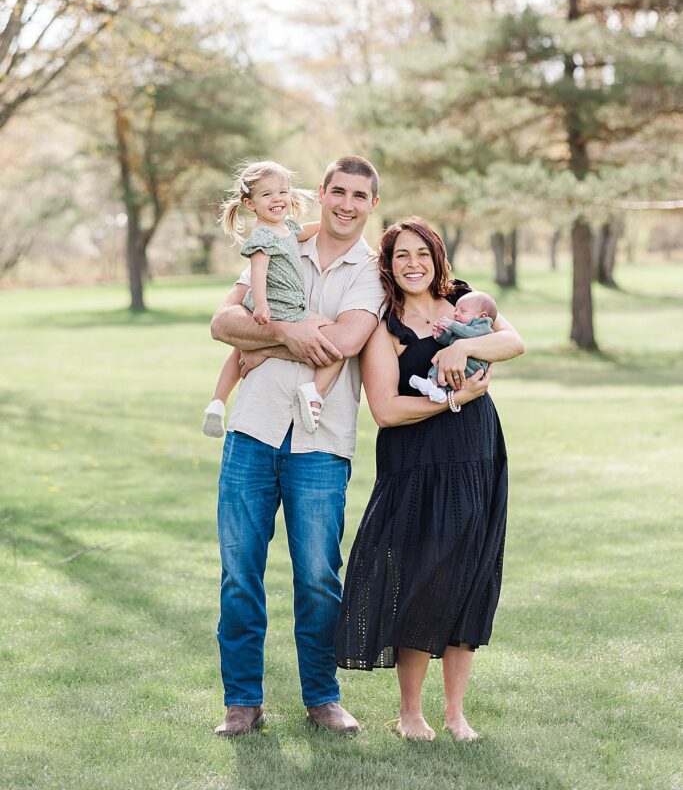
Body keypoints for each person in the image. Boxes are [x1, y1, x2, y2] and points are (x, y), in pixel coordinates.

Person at [209, 156, 385, 737]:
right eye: (338, 191)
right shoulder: (278, 238)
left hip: (321, 439)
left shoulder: (372, 272)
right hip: (253, 430)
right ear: (324, 192)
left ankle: (322, 698)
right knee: (239, 574)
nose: (346, 204)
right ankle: (242, 702)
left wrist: (268, 344)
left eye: (359, 196)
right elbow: (222, 322)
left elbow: (345, 341)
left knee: (316, 575)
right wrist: (287, 332)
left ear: (370, 205)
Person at [335, 217, 524, 742]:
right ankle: (410, 712)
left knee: (469, 578)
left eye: (421, 253)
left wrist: (462, 348)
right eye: (401, 256)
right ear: (388, 266)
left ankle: (456, 713)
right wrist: (455, 400)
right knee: (419, 581)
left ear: (437, 257)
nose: (413, 263)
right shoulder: (384, 326)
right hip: (417, 466)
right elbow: (387, 410)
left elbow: (515, 342)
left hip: (477, 457)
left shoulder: (465, 303)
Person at [202, 160, 342, 438]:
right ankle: (314, 394)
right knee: (331, 342)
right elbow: (258, 272)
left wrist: (327, 225)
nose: (277, 199)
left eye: (283, 192)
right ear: (250, 204)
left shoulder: (287, 226)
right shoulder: (263, 235)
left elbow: (303, 232)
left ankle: (217, 403)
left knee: (239, 351)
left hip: (281, 301)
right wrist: (263, 305)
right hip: (279, 303)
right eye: (267, 194)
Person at [409, 289, 498, 403]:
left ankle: (435, 387)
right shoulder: (462, 326)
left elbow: (470, 334)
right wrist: (441, 335)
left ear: (482, 316)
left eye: (463, 311)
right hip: (464, 364)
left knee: (448, 363)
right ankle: (436, 388)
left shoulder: (483, 326)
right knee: (443, 362)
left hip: (474, 365)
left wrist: (452, 324)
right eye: (456, 310)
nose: (456, 313)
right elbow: (450, 341)